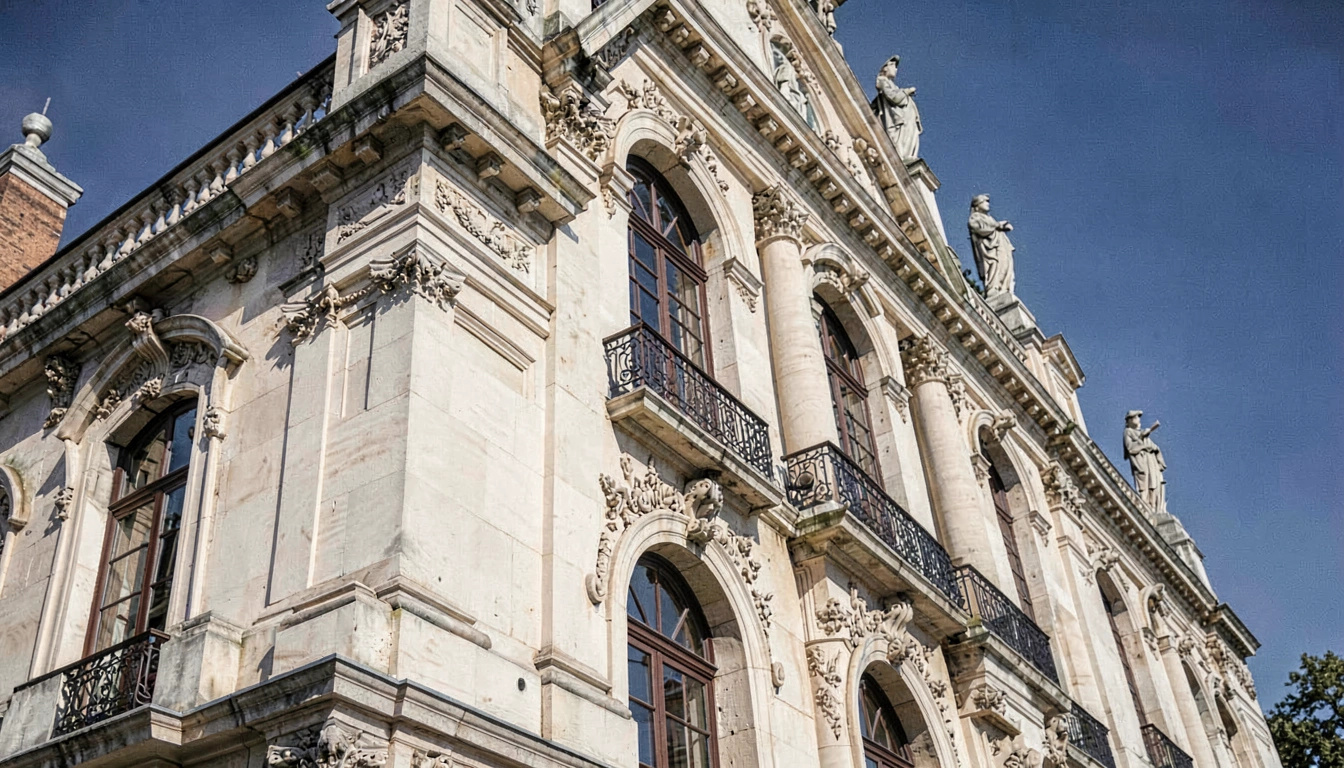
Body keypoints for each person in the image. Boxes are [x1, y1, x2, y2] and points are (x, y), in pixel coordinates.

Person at [967, 195, 1016, 298]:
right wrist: (998, 226)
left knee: (1005, 265)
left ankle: (1003, 288)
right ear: (977, 205)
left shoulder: (990, 218)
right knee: (993, 265)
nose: (988, 204)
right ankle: (993, 288)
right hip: (989, 249)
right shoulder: (975, 217)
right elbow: (977, 229)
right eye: (985, 202)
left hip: (1000, 245)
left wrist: (1000, 226)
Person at [874, 56, 921, 161]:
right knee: (898, 149)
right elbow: (894, 97)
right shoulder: (882, 81)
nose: (896, 69)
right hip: (896, 123)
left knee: (907, 146)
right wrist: (907, 91)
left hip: (904, 122)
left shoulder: (894, 86)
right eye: (893, 66)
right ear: (885, 68)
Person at [1123, 410, 1167, 514]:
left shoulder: (1141, 433)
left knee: (1154, 484)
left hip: (1151, 463)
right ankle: (1147, 505)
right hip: (1142, 463)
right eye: (1135, 417)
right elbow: (1130, 448)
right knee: (1145, 486)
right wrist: (1142, 440)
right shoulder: (1128, 432)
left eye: (1138, 417)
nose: (1138, 419)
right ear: (1129, 420)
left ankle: (1154, 506)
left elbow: (1154, 448)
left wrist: (1150, 445)